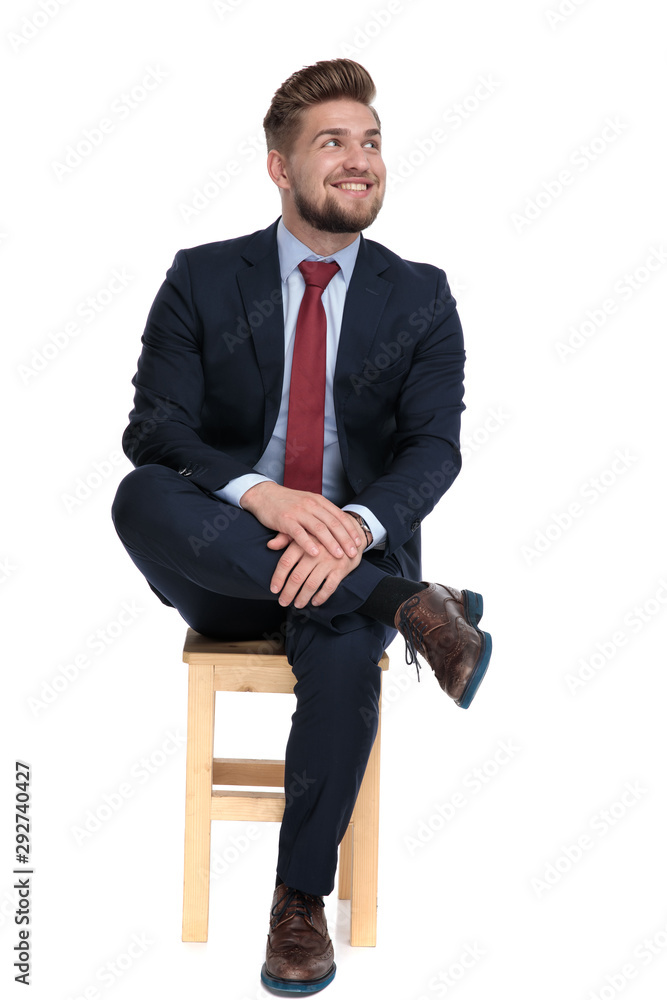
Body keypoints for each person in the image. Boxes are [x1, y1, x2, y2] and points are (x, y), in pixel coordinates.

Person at [111, 57, 492, 996]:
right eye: (333, 143)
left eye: (369, 143)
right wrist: (261, 495)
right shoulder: (202, 279)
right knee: (139, 496)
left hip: (350, 564)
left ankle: (296, 903)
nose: (359, 161)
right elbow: (153, 430)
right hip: (226, 563)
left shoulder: (420, 295)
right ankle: (412, 605)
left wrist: (356, 527)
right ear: (279, 167)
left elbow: (432, 450)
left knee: (337, 651)